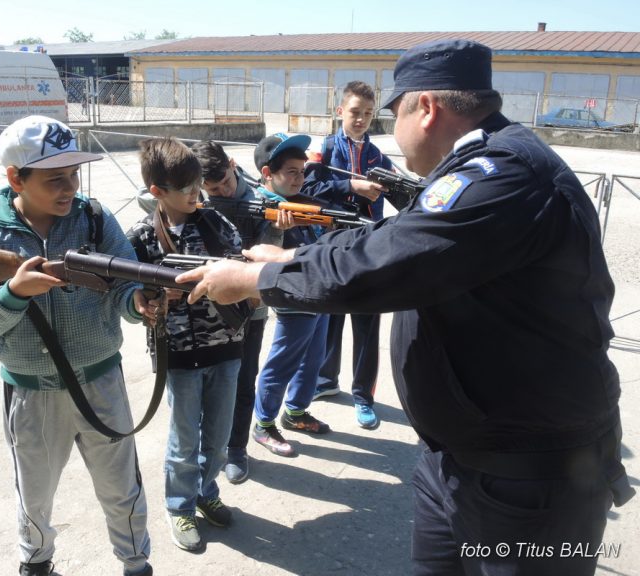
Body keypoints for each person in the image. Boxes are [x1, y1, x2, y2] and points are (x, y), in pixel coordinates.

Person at [177, 39, 635, 576]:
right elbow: (394, 235)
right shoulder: (480, 165)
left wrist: (258, 279)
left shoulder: (505, 175)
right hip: (459, 458)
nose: (388, 130)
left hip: (526, 474)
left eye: (394, 114)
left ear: (427, 108)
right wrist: (295, 256)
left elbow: (390, 263)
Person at [0, 115, 151, 576]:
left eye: (73, 174)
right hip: (31, 392)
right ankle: (36, 562)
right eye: (55, 179)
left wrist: (140, 303)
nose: (70, 188)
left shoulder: (94, 218)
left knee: (121, 486)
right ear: (16, 179)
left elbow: (125, 287)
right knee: (35, 493)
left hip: (101, 381)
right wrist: (14, 292)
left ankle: (135, 562)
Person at [126, 137, 244, 553]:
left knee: (218, 436)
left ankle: (206, 491)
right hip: (178, 355)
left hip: (227, 347)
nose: (197, 193)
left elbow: (240, 268)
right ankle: (180, 505)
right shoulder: (141, 237)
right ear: (157, 191)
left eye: (198, 183)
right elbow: (129, 294)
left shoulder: (216, 223)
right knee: (184, 441)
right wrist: (153, 298)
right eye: (186, 188)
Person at [189, 140, 284, 484]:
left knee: (244, 381)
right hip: (208, 308)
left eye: (225, 183)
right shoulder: (198, 199)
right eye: (212, 189)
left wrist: (278, 228)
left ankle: (236, 448)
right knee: (209, 383)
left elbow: (269, 258)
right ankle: (208, 448)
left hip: (250, 308)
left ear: (232, 164)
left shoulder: (263, 201)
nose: (222, 192)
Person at [302, 80, 395, 429]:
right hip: (333, 246)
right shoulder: (324, 149)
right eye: (355, 112)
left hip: (370, 248)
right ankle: (326, 381)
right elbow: (308, 188)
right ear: (340, 110)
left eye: (368, 114)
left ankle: (363, 396)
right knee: (330, 317)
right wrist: (350, 186)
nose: (361, 119)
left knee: (366, 324)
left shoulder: (378, 156)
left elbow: (400, 192)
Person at [248, 133, 331, 459]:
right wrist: (277, 229)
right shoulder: (260, 205)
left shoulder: (300, 200)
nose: (299, 178)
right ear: (268, 173)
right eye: (292, 172)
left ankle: (295, 411)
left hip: (318, 292)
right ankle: (264, 423)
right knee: (283, 362)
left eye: (302, 171)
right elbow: (257, 253)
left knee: (313, 357)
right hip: (293, 295)